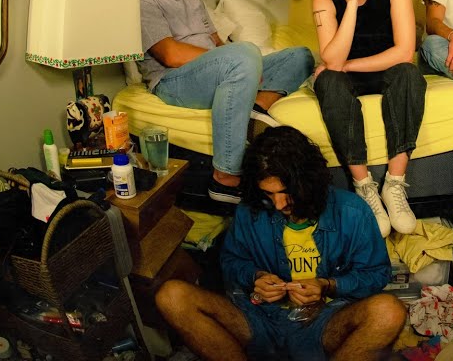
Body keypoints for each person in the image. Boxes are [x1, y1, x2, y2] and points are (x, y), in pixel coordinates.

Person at [154, 125, 406, 361]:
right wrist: (256, 277)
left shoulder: (351, 210)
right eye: (268, 194)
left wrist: (328, 285)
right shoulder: (250, 211)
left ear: (308, 182)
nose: (278, 204)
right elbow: (230, 261)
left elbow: (376, 274)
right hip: (258, 317)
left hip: (324, 321)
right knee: (171, 296)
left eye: (286, 193)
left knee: (390, 311)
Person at [117, 0, 314, 203]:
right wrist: (237, 61)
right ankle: (225, 177)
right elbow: (169, 54)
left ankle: (256, 109)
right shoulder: (143, 1)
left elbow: (215, 39)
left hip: (218, 70)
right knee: (244, 53)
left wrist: (244, 66)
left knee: (301, 56)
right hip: (175, 80)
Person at [308, 0, 425, 238]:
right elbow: (332, 62)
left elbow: (405, 51)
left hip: (385, 67)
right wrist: (349, 3)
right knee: (328, 81)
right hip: (345, 76)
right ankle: (364, 186)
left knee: (409, 74)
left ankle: (394, 184)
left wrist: (347, 65)